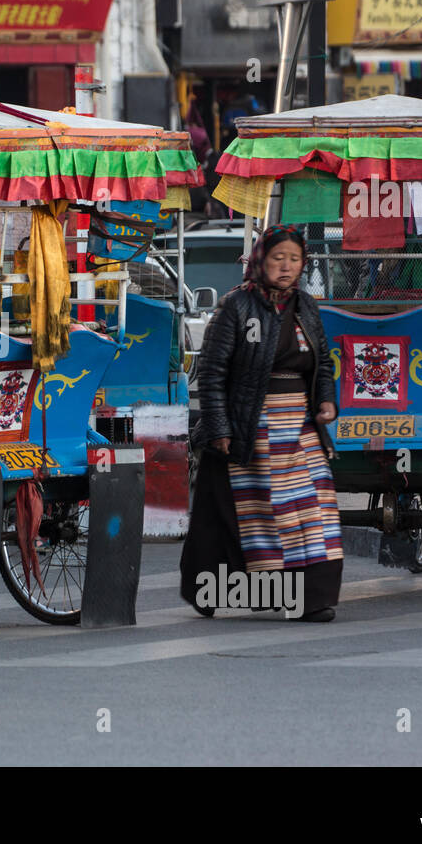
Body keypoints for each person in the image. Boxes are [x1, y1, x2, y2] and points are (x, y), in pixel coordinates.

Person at [182, 225, 344, 622]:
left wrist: (326, 399)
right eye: (278, 258)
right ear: (260, 261)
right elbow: (214, 371)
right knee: (257, 514)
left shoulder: (306, 305)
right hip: (250, 425)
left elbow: (322, 361)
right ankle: (218, 591)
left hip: (301, 428)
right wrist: (219, 427)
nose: (286, 267)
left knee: (314, 510)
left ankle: (312, 598)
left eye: (294, 259)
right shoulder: (235, 306)